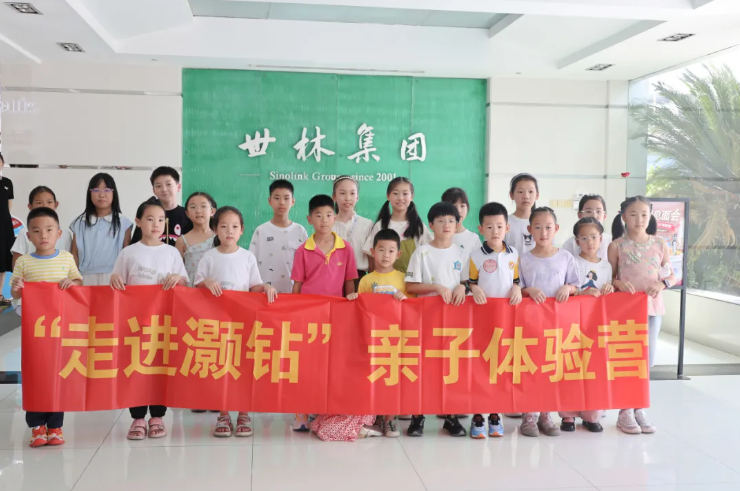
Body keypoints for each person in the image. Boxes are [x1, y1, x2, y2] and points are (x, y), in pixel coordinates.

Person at [194, 206, 277, 438]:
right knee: (222, 367)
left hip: (242, 322)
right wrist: (206, 282)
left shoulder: (247, 257)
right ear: (215, 229)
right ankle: (223, 413)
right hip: (216, 323)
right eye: (223, 226)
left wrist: (266, 286)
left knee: (242, 367)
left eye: (234, 226)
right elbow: (196, 285)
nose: (229, 231)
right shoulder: (209, 257)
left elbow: (253, 286)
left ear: (242, 230)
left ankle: (243, 413)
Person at [110, 197, 189, 440]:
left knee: (159, 368)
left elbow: (185, 284)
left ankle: (157, 416)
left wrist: (178, 279)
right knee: (136, 367)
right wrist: (114, 280)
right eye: (150, 219)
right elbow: (117, 282)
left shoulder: (171, 252)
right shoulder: (128, 252)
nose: (156, 224)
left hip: (163, 323)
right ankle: (137, 417)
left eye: (161, 220)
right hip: (135, 323)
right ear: (138, 222)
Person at [10, 207, 83, 447]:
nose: (43, 235)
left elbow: (78, 282)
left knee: (57, 375)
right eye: (37, 231)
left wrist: (72, 283)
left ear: (59, 233)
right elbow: (15, 293)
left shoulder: (66, 258)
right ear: (28, 236)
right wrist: (18, 288)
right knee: (35, 375)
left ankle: (55, 426)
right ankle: (37, 426)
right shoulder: (24, 262)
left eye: (49, 230)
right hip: (35, 332)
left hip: (60, 329)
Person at [291, 194, 359, 433]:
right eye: (318, 215)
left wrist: (349, 312)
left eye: (329, 215)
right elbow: (297, 285)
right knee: (307, 364)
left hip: (336, 317)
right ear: (309, 219)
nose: (324, 220)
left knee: (330, 364)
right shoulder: (303, 250)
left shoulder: (345, 248)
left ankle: (323, 409)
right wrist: (295, 314)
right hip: (308, 316)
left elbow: (349, 282)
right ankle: (301, 412)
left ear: (335, 218)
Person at [609, 196, 675, 435]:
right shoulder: (617, 245)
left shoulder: (660, 243)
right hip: (625, 312)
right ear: (623, 217)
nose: (639, 219)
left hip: (652, 309)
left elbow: (671, 274)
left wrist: (662, 284)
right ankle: (624, 411)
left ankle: (639, 408)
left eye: (644, 214)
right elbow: (609, 277)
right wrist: (617, 283)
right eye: (634, 214)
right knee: (627, 361)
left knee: (646, 362)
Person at [404, 201, 468, 438]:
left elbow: (467, 282)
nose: (446, 225)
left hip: (454, 321)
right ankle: (417, 416)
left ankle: (451, 417)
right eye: (440, 221)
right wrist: (436, 287)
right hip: (426, 320)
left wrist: (462, 287)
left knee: (450, 368)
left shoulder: (461, 252)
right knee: (423, 367)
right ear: (431, 225)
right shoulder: (422, 252)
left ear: (457, 224)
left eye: (451, 220)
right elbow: (411, 286)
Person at [519, 206, 579, 438]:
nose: (543, 232)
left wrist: (568, 288)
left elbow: (577, 285)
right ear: (529, 229)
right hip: (531, 324)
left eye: (548, 227)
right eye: (537, 227)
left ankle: (546, 414)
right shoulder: (524, 259)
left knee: (551, 369)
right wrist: (528, 291)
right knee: (530, 367)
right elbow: (516, 288)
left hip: (557, 324)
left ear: (556, 229)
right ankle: (529, 415)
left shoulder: (565, 257)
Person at [465, 202, 522, 439]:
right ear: (481, 229)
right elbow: (470, 281)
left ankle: (496, 414)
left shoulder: (513, 254)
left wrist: (517, 288)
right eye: (489, 227)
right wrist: (475, 288)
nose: (495, 231)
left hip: (506, 319)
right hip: (482, 319)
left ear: (507, 227)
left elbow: (516, 280)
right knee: (481, 365)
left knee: (501, 365)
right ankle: (478, 415)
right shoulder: (475, 255)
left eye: (499, 226)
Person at [559, 216, 612, 434]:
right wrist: (582, 293)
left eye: (594, 237)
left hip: (596, 324)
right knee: (570, 366)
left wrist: (609, 289)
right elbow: (566, 288)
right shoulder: (570, 261)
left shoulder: (607, 265)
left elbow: (609, 291)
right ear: (576, 241)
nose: (590, 242)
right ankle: (568, 414)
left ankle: (592, 415)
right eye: (584, 238)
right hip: (572, 323)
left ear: (601, 239)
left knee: (594, 369)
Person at [357, 228, 407, 438]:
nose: (386, 255)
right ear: (372, 252)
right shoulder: (366, 280)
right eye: (381, 250)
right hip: (374, 339)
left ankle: (390, 420)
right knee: (375, 378)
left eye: (391, 251)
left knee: (393, 380)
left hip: (396, 339)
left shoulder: (404, 279)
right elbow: (360, 309)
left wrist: (404, 299)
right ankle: (375, 418)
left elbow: (413, 309)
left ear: (398, 254)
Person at [10, 186, 73, 317]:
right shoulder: (24, 233)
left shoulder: (65, 234)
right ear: (30, 206)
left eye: (49, 202)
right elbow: (17, 260)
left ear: (56, 204)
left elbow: (71, 269)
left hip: (58, 299)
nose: (45, 206)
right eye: (39, 203)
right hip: (31, 298)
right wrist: (18, 283)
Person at [70, 173, 133, 286]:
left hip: (113, 277)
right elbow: (74, 255)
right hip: (85, 276)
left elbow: (127, 254)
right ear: (90, 193)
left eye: (106, 190)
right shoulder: (79, 223)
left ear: (114, 193)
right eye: (96, 190)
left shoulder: (123, 222)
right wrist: (74, 278)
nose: (101, 195)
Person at [363, 177, 433, 274]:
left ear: (412, 197)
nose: (400, 198)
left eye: (405, 194)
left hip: (412, 280)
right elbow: (371, 256)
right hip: (384, 280)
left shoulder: (419, 226)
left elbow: (428, 255)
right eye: (395, 193)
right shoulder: (381, 226)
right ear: (388, 196)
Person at [250, 179, 308, 293]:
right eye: (277, 198)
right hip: (265, 295)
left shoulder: (300, 231)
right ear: (269, 201)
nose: (281, 202)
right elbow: (251, 264)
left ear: (293, 201)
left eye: (286, 198)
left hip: (293, 293)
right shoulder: (261, 231)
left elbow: (307, 264)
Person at [130, 166, 193, 246]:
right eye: (158, 186)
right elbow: (136, 244)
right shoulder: (147, 213)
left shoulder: (188, 215)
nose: (164, 189)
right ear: (154, 190)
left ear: (178, 187)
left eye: (168, 184)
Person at [331, 175, 373, 286]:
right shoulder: (328, 224)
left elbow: (372, 259)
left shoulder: (366, 224)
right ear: (334, 197)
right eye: (342, 193)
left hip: (359, 279)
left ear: (357, 197)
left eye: (352, 193)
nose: (348, 198)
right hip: (332, 278)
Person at [175, 192, 217, 286]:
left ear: (212, 211)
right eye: (193, 207)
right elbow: (178, 271)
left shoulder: (219, 238)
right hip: (191, 290)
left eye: (203, 206)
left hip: (214, 289)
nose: (198, 210)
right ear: (187, 213)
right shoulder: (182, 241)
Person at [562, 195, 612, 260]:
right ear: (579, 215)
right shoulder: (570, 244)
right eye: (588, 211)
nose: (594, 216)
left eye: (598, 211)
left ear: (604, 216)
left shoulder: (611, 242)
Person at [505, 173, 539, 255]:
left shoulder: (543, 222)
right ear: (511, 195)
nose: (526, 196)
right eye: (520, 192)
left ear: (537, 195)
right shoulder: (504, 223)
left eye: (530, 191)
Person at [442, 187, 482, 255]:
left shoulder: (473, 238)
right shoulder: (437, 237)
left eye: (462, 206)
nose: (459, 211)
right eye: (454, 206)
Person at [0, 152, 14, 306]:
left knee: (2, 260)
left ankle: (0, 294)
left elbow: (9, 206)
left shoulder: (7, 183)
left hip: (4, 226)